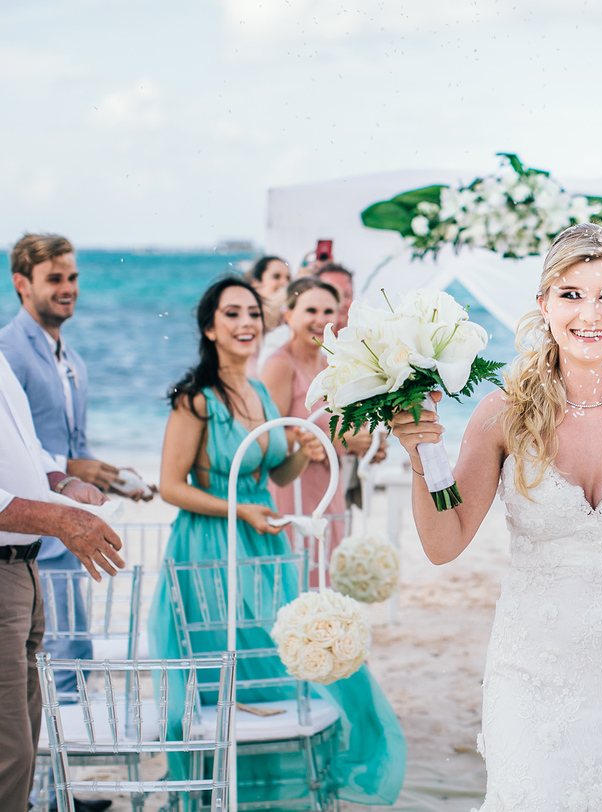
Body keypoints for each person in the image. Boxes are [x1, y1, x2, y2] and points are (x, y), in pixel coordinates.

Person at [391, 223, 602, 809]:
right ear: (543, 304)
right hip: (531, 674)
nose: (589, 313)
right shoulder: (501, 413)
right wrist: (422, 455)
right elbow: (444, 543)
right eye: (571, 294)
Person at [151, 277, 405, 805]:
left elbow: (280, 474)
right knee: (223, 656)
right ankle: (217, 784)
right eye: (231, 315)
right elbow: (170, 486)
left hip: (262, 540)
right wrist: (238, 508)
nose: (245, 324)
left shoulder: (259, 392)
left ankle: (270, 785)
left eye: (251, 314)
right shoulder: (194, 400)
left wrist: (304, 449)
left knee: (268, 645)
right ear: (209, 327)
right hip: (209, 543)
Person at [1, 234, 152, 703]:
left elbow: (65, 447)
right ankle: (48, 773)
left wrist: (110, 479)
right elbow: (15, 451)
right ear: (21, 283)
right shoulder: (8, 350)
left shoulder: (73, 358)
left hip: (72, 527)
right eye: (55, 279)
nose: (68, 288)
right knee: (54, 662)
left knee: (74, 653)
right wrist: (72, 470)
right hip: (32, 532)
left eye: (72, 277)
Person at [0, 349, 122, 812]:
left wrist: (59, 481)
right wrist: (57, 520)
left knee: (24, 744)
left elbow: (23, 445)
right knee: (7, 749)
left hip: (23, 567)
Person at [263, 277, 381, 566]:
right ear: (289, 315)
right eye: (310, 311)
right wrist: (338, 441)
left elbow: (346, 426)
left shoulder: (332, 364)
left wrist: (367, 443)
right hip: (293, 486)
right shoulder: (280, 365)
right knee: (299, 567)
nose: (320, 319)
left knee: (327, 567)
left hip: (329, 486)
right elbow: (268, 438)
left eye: (328, 312)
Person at [246, 255, 292, 331]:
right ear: (256, 284)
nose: (285, 283)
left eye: (288, 278)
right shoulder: (250, 317)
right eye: (276, 276)